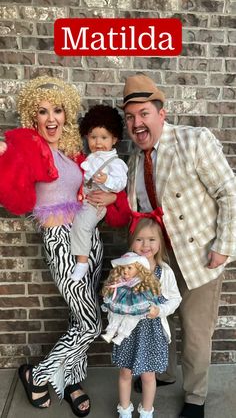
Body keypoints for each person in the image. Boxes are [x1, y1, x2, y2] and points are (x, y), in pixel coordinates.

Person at [103, 73, 236, 418]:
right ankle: (161, 371)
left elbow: (229, 192)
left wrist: (223, 245)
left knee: (194, 330)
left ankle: (195, 396)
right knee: (161, 318)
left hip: (199, 255)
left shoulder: (194, 141)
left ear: (161, 114)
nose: (137, 123)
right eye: (130, 117)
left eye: (144, 113)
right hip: (158, 259)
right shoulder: (134, 158)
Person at [0, 76, 104, 417]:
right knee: (92, 324)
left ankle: (72, 381)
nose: (51, 118)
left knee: (79, 317)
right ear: (33, 116)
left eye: (57, 110)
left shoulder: (71, 150)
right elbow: (15, 192)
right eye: (43, 112)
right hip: (61, 242)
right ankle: (38, 374)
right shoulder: (26, 149)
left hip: (89, 239)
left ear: (66, 113)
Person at [111, 217, 181, 418]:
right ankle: (124, 409)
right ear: (132, 242)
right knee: (125, 372)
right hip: (128, 331)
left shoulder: (164, 272)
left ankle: (147, 411)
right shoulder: (125, 271)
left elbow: (175, 299)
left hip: (152, 331)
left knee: (148, 375)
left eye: (151, 240)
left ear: (160, 243)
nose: (146, 245)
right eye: (140, 240)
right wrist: (115, 316)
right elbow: (113, 297)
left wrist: (159, 311)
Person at [70, 105, 128, 281]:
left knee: (82, 224)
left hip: (97, 203)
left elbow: (120, 183)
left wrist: (107, 181)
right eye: (93, 137)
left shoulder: (115, 162)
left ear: (114, 139)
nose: (98, 143)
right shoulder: (91, 157)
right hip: (86, 198)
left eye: (104, 137)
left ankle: (82, 262)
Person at [101, 251, 161, 345]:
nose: (125, 271)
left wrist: (152, 304)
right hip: (120, 301)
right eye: (123, 268)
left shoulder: (141, 281)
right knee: (115, 315)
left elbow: (149, 294)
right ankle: (110, 332)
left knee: (131, 319)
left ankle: (121, 336)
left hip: (134, 302)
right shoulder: (119, 280)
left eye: (129, 268)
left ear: (138, 269)